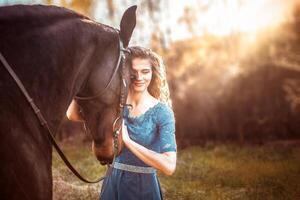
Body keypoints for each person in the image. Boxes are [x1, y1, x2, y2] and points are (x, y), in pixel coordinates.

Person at [67, 46, 177, 200]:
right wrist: (82, 81)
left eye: (145, 71)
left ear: (153, 72)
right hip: (112, 182)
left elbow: (169, 166)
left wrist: (129, 142)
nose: (139, 77)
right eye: (134, 72)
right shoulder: (114, 105)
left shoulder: (162, 112)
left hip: (142, 188)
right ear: (126, 73)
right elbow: (72, 114)